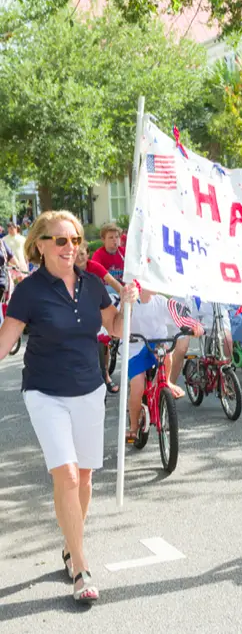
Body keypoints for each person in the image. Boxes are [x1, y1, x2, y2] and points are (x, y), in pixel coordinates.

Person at [0, 210, 136, 603]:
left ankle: (68, 544)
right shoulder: (29, 291)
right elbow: (6, 340)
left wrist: (125, 303)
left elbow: (114, 327)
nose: (70, 247)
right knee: (68, 477)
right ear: (40, 245)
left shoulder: (93, 285)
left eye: (75, 240)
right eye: (60, 240)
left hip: (89, 390)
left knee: (86, 479)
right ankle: (80, 565)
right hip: (45, 393)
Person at [126, 287, 204, 443]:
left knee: (167, 355)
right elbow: (118, 321)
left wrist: (195, 326)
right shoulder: (130, 303)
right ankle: (133, 427)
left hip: (157, 343)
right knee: (137, 387)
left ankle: (166, 382)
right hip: (135, 347)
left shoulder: (161, 301)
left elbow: (180, 313)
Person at [74, 243, 124, 392]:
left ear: (87, 254)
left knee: (102, 341)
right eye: (76, 255)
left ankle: (105, 375)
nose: (80, 258)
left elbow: (112, 282)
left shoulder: (94, 267)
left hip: (97, 306)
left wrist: (125, 294)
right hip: (77, 309)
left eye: (82, 254)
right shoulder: (68, 270)